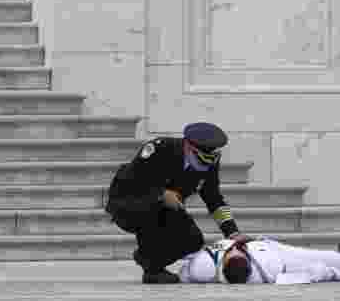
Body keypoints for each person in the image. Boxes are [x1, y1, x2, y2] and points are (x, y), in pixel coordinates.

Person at [104, 122, 249, 284]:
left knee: (193, 240)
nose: (204, 166)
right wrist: (161, 194)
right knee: (153, 210)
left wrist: (232, 233)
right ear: (187, 146)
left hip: (168, 207)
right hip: (128, 203)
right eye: (200, 158)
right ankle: (153, 271)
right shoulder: (160, 148)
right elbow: (130, 180)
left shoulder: (209, 164)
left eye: (209, 160)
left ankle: (148, 259)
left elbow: (214, 199)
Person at [178, 238, 340, 284]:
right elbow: (310, 273)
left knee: (335, 258)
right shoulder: (268, 273)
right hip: (279, 260)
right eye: (239, 254)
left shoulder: (205, 266)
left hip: (271, 246)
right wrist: (330, 270)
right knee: (337, 266)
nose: (237, 250)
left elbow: (186, 272)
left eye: (235, 253)